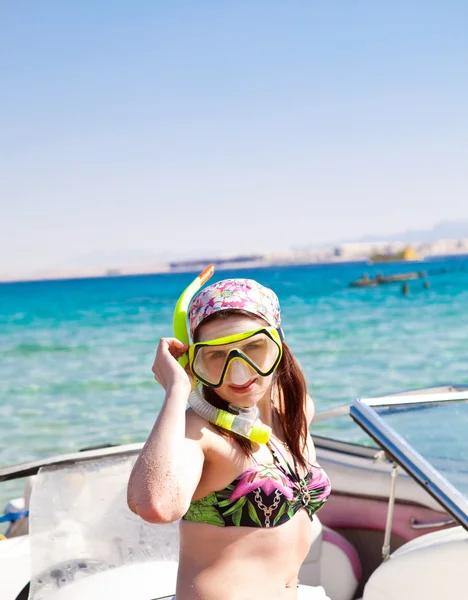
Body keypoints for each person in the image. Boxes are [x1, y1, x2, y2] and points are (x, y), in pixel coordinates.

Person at [127, 272, 331, 600]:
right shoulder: (201, 433)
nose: (238, 374)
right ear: (196, 362)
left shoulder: (293, 413)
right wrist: (177, 390)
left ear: (278, 344)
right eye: (217, 356)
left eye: (254, 347)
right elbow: (156, 506)